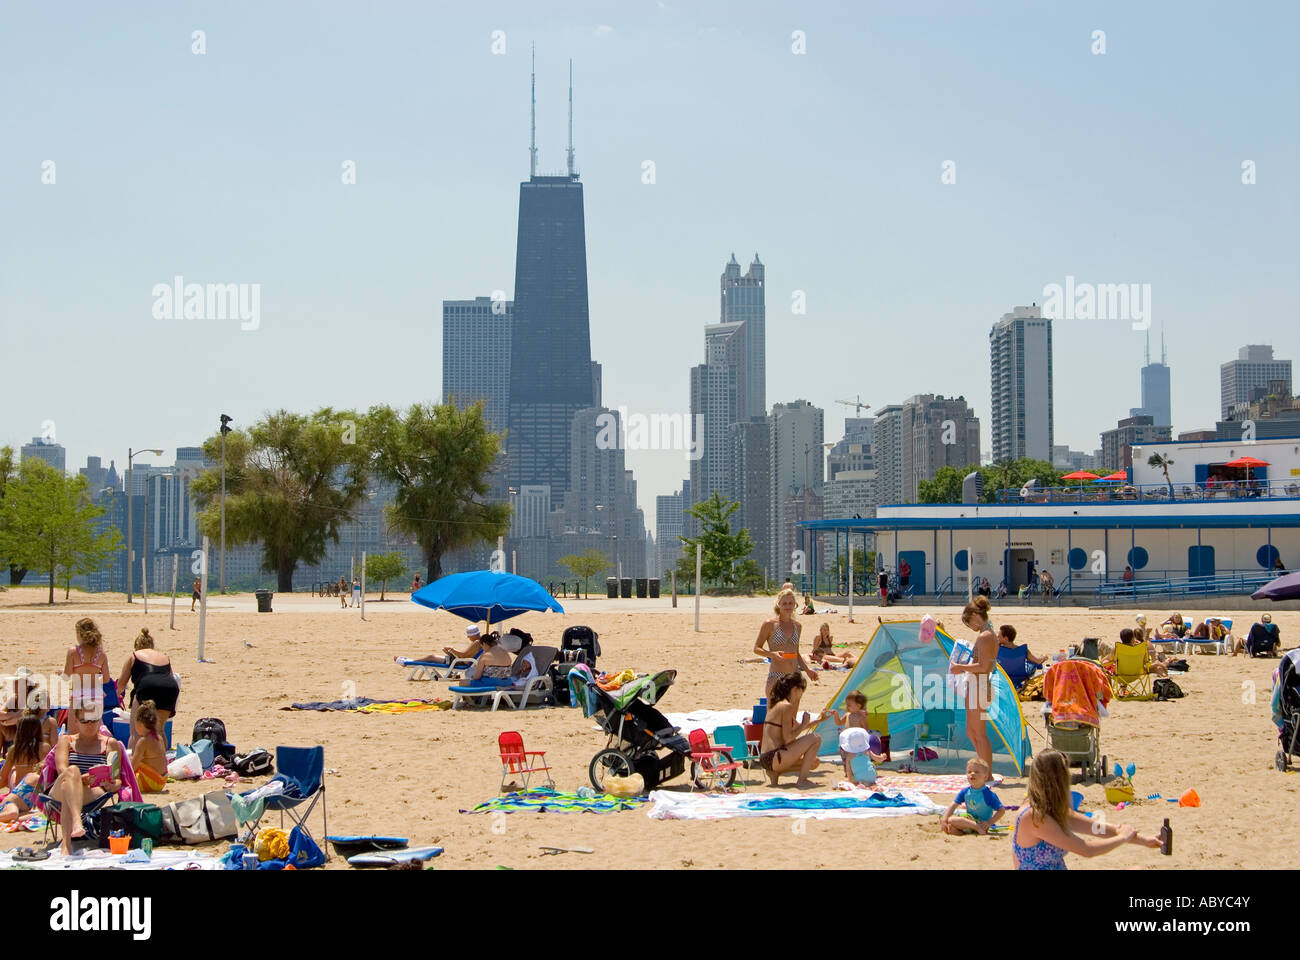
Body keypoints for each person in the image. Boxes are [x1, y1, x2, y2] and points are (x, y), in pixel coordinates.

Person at [1011, 749, 1161, 869]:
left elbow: (1098, 829)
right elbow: (1086, 850)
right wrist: (1122, 838)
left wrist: (1144, 840)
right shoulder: (1035, 816)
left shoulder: (1052, 809)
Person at [47, 704, 123, 855]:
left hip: (91, 792)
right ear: (76, 721)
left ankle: (66, 846)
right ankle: (77, 821)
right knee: (72, 772)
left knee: (68, 790)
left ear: (99, 719)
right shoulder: (66, 741)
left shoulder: (110, 744)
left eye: (94, 720)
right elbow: (62, 769)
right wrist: (81, 779)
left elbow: (117, 779)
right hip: (64, 784)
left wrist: (111, 785)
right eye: (85, 721)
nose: (90, 725)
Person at [952, 596, 998, 771]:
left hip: (980, 685)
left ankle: (987, 773)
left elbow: (984, 666)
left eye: (968, 622)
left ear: (975, 616)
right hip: (975, 685)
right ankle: (982, 769)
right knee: (972, 732)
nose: (970, 627)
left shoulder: (986, 636)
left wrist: (960, 667)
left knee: (979, 733)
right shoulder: (985, 634)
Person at [115, 627, 180, 749]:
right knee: (159, 731)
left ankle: (133, 764)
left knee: (136, 734)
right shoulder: (163, 656)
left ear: (136, 646)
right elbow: (170, 677)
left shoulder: (134, 656)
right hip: (170, 688)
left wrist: (117, 696)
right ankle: (162, 763)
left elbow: (121, 685)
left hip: (147, 686)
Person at [758, 673, 822, 788]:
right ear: (796, 689)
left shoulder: (777, 705)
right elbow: (789, 737)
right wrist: (803, 723)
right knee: (816, 738)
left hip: (765, 759)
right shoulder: (786, 707)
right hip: (775, 757)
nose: (801, 695)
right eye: (802, 690)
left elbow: (797, 728)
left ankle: (775, 773)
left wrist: (820, 720)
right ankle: (802, 780)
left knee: (814, 762)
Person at [753, 588, 818, 699]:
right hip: (777, 675)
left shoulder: (797, 626)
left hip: (795, 676)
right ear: (779, 604)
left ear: (795, 605)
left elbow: (796, 653)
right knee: (774, 714)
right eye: (784, 603)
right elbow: (756, 648)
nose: (788, 606)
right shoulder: (770, 624)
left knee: (792, 715)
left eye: (790, 603)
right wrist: (772, 654)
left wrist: (807, 670)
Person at [0, 713, 51, 823]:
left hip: (19, 791)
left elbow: (3, 779)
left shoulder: (14, 750)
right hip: (36, 793)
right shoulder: (44, 748)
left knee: (13, 772)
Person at [828, 692, 882, 786]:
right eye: (847, 705)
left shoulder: (861, 716)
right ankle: (847, 771)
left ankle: (862, 770)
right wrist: (835, 714)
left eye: (849, 705)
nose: (847, 707)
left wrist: (864, 739)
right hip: (848, 741)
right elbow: (839, 722)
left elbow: (866, 730)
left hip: (857, 742)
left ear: (858, 706)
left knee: (857, 758)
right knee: (844, 755)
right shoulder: (847, 714)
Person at [942, 757, 1006, 835]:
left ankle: (976, 828)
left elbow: (1001, 810)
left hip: (983, 825)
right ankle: (970, 829)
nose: (972, 774)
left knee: (953, 821)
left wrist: (989, 822)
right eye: (969, 772)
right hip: (970, 822)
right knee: (951, 820)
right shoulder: (965, 792)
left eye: (976, 772)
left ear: (985, 777)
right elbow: (953, 805)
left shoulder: (988, 794)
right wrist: (944, 819)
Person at [64, 618, 111, 711]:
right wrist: (95, 679)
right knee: (95, 724)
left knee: (75, 724)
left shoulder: (73, 652)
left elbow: (66, 676)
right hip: (96, 694)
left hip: (79, 693)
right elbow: (106, 679)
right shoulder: (101, 654)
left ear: (79, 634)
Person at [130, 701, 167, 793]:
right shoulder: (159, 737)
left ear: (140, 724)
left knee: (126, 770)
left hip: (151, 783)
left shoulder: (143, 741)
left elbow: (133, 767)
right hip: (162, 781)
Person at [409, 624, 485, 667]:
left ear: (472, 635)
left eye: (469, 635)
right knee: (432, 657)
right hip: (461, 660)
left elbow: (463, 655)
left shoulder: (476, 643)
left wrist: (452, 649)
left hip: (459, 662)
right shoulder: (482, 642)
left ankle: (411, 662)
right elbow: (466, 654)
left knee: (431, 657)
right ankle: (412, 661)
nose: (468, 637)